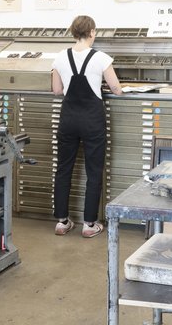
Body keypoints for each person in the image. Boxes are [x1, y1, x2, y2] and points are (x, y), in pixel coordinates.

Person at [51, 15, 123, 238]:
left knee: (63, 169)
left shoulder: (60, 58)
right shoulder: (101, 58)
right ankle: (89, 224)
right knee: (93, 171)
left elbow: (56, 90)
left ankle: (62, 222)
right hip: (92, 121)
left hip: (68, 120)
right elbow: (116, 88)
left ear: (74, 32)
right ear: (92, 32)